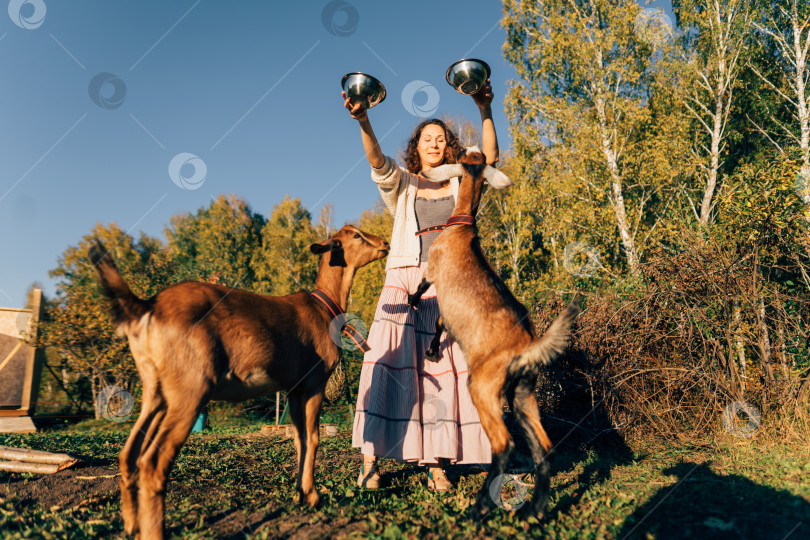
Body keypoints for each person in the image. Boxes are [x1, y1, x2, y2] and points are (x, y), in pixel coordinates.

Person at [342, 80, 500, 491]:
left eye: (441, 138)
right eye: (426, 138)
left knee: (442, 373)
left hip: (447, 284)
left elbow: (489, 158)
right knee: (386, 365)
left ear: (449, 147)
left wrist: (484, 110)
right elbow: (376, 161)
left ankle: (434, 461)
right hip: (402, 280)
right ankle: (370, 462)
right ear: (417, 146)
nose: (433, 143)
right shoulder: (404, 183)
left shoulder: (458, 184)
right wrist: (364, 120)